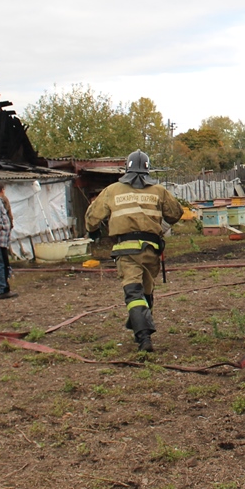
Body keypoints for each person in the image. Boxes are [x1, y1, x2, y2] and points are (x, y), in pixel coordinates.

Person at [85, 150, 183, 352]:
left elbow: (92, 219)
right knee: (146, 293)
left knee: (133, 292)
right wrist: (160, 225)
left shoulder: (112, 190)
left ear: (126, 169)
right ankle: (137, 321)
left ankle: (143, 336)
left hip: (126, 251)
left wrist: (93, 232)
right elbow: (176, 213)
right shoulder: (158, 191)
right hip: (151, 250)